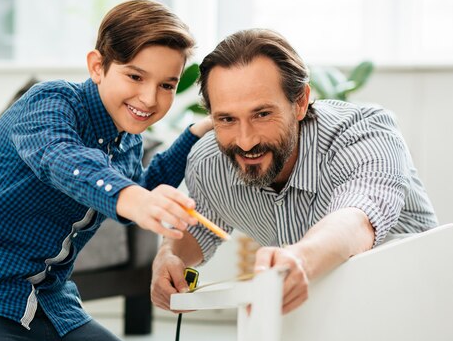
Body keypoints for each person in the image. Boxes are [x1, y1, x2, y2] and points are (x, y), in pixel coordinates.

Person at [0, 0, 212, 341]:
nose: (150, 99)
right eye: (136, 77)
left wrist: (197, 133)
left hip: (52, 308)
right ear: (97, 66)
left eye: (166, 85)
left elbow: (139, 189)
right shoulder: (49, 102)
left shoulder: (127, 141)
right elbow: (60, 158)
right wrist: (135, 199)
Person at [151, 28, 437, 315]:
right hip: (314, 318)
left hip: (415, 304)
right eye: (226, 119)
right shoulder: (208, 162)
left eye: (262, 114)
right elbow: (200, 228)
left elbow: (357, 219)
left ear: (300, 102)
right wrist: (168, 257)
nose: (245, 140)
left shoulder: (364, 132)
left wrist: (300, 258)